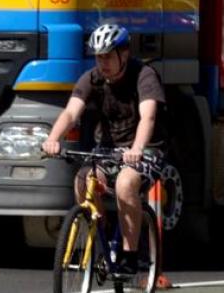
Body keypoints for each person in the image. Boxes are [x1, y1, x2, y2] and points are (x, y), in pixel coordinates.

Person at [42, 23, 168, 276]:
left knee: (125, 183)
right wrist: (53, 138)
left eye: (108, 56)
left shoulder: (144, 75)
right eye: (99, 57)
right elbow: (71, 112)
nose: (103, 63)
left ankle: (129, 255)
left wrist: (137, 149)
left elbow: (148, 118)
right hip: (109, 151)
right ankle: (99, 237)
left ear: (124, 54)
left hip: (146, 150)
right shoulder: (92, 78)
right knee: (83, 179)